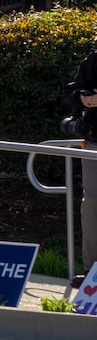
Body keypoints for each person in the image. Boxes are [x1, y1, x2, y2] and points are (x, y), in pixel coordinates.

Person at [63, 52, 97, 288]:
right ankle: (91, 270)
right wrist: (83, 99)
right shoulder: (92, 60)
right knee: (92, 203)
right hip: (94, 141)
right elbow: (70, 93)